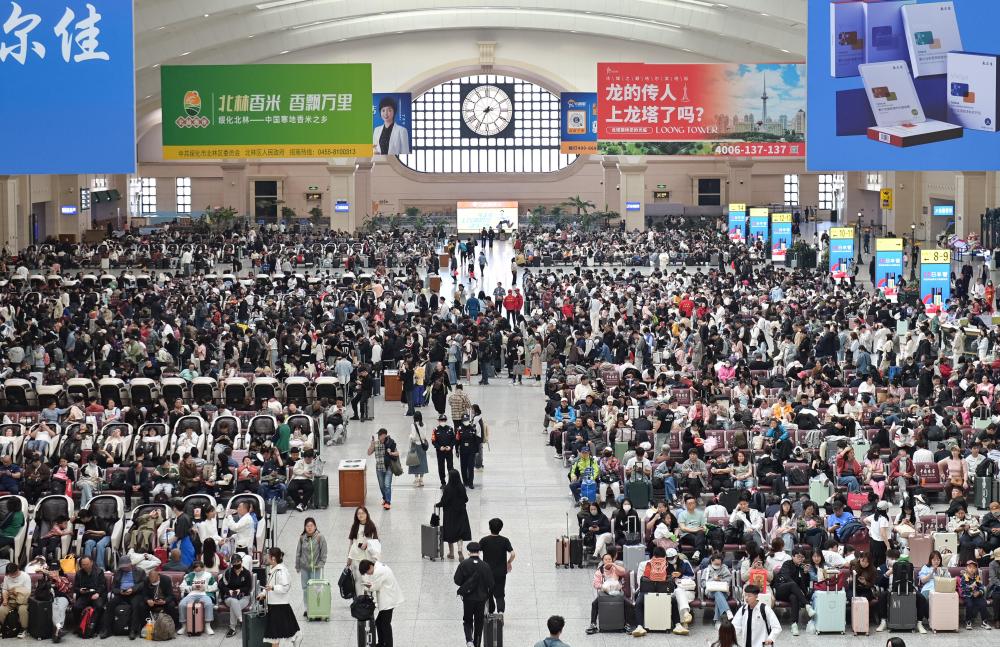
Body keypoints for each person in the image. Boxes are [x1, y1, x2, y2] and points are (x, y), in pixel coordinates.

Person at [453, 542, 495, 647]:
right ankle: (477, 644)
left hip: (468, 599)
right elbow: (491, 584)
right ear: (479, 552)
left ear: (469, 552)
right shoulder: (485, 566)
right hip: (481, 599)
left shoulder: (463, 564)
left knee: (467, 620)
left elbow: (457, 580)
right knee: (479, 623)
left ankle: (469, 640)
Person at [359, 558, 403, 647]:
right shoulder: (379, 566)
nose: (369, 574)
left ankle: (388, 645)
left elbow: (375, 587)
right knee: (379, 622)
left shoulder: (378, 571)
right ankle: (381, 643)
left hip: (388, 600)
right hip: (389, 597)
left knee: (385, 624)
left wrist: (368, 586)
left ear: (370, 566)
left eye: (367, 572)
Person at [586, 553, 633, 635]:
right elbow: (596, 584)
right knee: (594, 604)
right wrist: (604, 587)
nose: (608, 561)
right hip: (604, 593)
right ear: (603, 561)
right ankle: (593, 624)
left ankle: (627, 624)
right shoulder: (599, 571)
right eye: (606, 559)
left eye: (609, 559)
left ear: (612, 560)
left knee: (628, 604)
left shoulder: (615, 569)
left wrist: (613, 564)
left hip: (617, 592)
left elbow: (623, 572)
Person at [102, 556, 148, 639]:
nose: (124, 568)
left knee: (136, 605)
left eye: (125, 566)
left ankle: (133, 630)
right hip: (121, 593)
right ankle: (107, 629)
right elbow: (114, 587)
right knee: (110, 604)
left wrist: (133, 589)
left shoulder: (140, 571)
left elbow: (143, 584)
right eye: (122, 567)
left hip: (134, 593)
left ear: (130, 564)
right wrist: (120, 591)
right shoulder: (118, 572)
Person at [774, 548, 815, 636]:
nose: (800, 559)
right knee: (792, 585)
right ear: (792, 556)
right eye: (798, 556)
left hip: (793, 593)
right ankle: (807, 605)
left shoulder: (801, 568)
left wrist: (805, 573)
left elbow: (804, 585)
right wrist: (799, 590)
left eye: (802, 557)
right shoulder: (787, 564)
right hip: (781, 590)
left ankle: (794, 625)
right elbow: (787, 578)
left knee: (794, 597)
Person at [479, 518, 515, 615]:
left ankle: (490, 611)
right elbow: (513, 554)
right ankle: (500, 613)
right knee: (500, 594)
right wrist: (508, 562)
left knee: (488, 593)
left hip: (487, 572)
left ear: (489, 527)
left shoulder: (484, 540)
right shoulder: (505, 540)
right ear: (501, 528)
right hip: (500, 572)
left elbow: (476, 552)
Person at [347, 506, 382, 597]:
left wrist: (367, 543)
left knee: (368, 579)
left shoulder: (372, 526)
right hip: (356, 557)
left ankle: (369, 598)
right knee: (358, 579)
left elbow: (377, 542)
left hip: (367, 558)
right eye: (359, 513)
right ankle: (359, 598)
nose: (361, 515)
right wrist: (349, 558)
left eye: (363, 513)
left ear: (366, 514)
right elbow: (351, 543)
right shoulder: (354, 526)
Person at [295, 517, 327, 612]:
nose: (309, 528)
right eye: (307, 526)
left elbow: (324, 552)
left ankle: (316, 607)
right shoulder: (302, 538)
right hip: (304, 568)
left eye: (311, 526)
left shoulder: (320, 537)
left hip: (316, 567)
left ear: (315, 526)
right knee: (305, 588)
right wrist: (297, 566)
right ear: (305, 527)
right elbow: (298, 552)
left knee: (315, 587)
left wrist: (321, 563)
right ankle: (307, 608)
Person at [438, 469, 472, 560]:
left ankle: (451, 553)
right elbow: (466, 499)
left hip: (449, 514)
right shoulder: (461, 487)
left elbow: (444, 501)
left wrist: (437, 505)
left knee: (450, 532)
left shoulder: (447, 488)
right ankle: (460, 549)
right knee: (460, 532)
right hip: (461, 512)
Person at [177, 560, 218, 635]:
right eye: (196, 571)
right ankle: (184, 626)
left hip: (205, 594)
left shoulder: (208, 575)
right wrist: (192, 587)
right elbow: (182, 587)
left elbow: (215, 587)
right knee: (182, 604)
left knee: (208, 604)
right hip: (191, 594)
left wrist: (205, 588)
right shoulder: (189, 576)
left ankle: (208, 625)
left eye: (200, 570)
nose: (198, 572)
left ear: (203, 568)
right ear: (193, 570)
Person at [218, 554, 252, 637]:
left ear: (241, 561)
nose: (236, 564)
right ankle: (241, 620)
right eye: (234, 562)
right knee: (234, 601)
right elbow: (221, 585)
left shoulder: (246, 573)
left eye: (238, 561)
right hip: (229, 597)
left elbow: (248, 587)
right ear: (232, 563)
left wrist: (240, 590)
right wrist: (228, 591)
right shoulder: (228, 572)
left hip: (243, 597)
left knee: (234, 606)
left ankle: (232, 629)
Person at [72, 556, 108, 632]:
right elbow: (75, 587)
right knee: (76, 607)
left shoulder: (99, 571)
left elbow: (102, 585)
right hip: (84, 595)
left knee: (99, 606)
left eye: (87, 564)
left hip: (96, 594)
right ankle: (78, 626)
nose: (85, 566)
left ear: (91, 563)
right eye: (83, 565)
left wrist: (98, 593)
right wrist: (80, 590)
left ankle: (96, 627)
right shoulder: (79, 573)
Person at [42, 561, 74, 643]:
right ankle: (58, 631)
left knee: (60, 607)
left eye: (55, 570)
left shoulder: (64, 578)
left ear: (59, 569)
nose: (54, 571)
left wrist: (57, 579)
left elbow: (65, 590)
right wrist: (47, 577)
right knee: (54, 607)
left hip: (63, 598)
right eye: (52, 570)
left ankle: (57, 630)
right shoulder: (45, 579)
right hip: (50, 599)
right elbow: (41, 590)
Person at [960, 559, 992, 630]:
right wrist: (971, 588)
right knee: (969, 604)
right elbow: (963, 588)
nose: (972, 569)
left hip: (977, 596)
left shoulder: (977, 577)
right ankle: (968, 621)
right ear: (966, 568)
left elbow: (981, 587)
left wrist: (979, 592)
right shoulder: (964, 577)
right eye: (970, 567)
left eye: (974, 567)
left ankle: (984, 622)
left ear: (976, 569)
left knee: (983, 603)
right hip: (967, 596)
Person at [0, 562, 29, 637]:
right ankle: (3, 627)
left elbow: (28, 591)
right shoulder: (7, 576)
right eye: (10, 574)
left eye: (13, 574)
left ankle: (24, 628)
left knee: (22, 610)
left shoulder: (25, 576)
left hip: (22, 601)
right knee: (1, 609)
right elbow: (4, 589)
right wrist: (5, 599)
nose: (12, 576)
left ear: (17, 570)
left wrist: (15, 591)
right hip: (10, 600)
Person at [456, 414, 482, 489]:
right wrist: (456, 451)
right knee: (463, 467)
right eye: (464, 420)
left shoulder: (473, 429)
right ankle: (465, 482)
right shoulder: (459, 430)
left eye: (467, 420)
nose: (466, 421)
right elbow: (457, 441)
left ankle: (471, 483)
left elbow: (476, 441)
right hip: (463, 451)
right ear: (462, 421)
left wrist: (477, 451)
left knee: (470, 467)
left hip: (471, 451)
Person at [432, 414, 457, 488]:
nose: (442, 422)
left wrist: (450, 446)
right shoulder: (435, 430)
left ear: (446, 421)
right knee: (441, 467)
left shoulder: (450, 429)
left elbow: (454, 439)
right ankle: (443, 483)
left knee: (450, 467)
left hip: (449, 451)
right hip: (440, 452)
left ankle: (451, 482)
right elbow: (433, 441)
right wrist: (439, 447)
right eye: (441, 420)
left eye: (444, 420)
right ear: (439, 421)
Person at [170, 498, 196, 569]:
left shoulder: (181, 519)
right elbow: (187, 529)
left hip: (183, 544)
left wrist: (167, 543)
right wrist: (173, 529)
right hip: (187, 542)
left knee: (184, 565)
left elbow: (177, 536)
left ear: (174, 508)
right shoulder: (185, 516)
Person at [407, 411, 429, 487]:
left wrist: (410, 436)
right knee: (423, 461)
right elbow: (425, 436)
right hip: (422, 445)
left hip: (415, 445)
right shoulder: (424, 424)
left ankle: (416, 480)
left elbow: (413, 437)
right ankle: (421, 480)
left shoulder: (413, 425)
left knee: (415, 462)